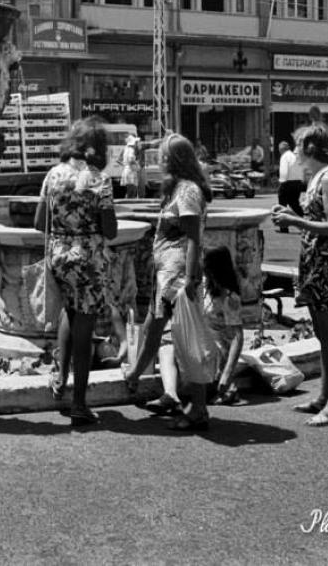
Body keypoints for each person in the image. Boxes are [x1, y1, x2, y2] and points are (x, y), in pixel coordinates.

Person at [122, 132, 213, 432]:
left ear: (173, 160)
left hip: (177, 276)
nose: (158, 162)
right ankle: (141, 377)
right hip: (168, 273)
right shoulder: (178, 189)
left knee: (187, 341)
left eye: (162, 156)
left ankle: (198, 409)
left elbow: (193, 238)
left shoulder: (186, 192)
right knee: (156, 327)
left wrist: (189, 279)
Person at [37, 117, 118, 427]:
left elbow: (38, 221)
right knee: (84, 330)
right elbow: (109, 230)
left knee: (68, 315)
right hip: (88, 258)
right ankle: (80, 404)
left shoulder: (53, 174)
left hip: (58, 254)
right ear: (97, 148)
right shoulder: (99, 180)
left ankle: (60, 379)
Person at [272, 122, 328, 427]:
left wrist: (295, 220)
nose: (295, 152)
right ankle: (323, 398)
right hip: (317, 263)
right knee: (322, 334)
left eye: (298, 145)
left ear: (309, 148)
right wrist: (297, 219)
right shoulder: (317, 178)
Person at [146, 245, 245, 416]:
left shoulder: (228, 297)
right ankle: (171, 394)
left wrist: (227, 374)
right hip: (199, 344)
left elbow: (238, 337)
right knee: (167, 346)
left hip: (213, 351)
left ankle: (191, 404)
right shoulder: (200, 286)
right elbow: (169, 298)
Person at [276, 140, 305, 232]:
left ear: (281, 150)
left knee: (282, 204)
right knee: (294, 204)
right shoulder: (294, 156)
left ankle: (283, 227)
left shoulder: (284, 157)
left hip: (287, 183)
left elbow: (284, 171)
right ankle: (304, 222)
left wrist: (281, 182)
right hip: (297, 183)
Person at [119, 127, 143, 198]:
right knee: (132, 191)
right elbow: (131, 160)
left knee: (129, 190)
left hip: (127, 170)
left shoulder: (126, 148)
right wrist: (137, 166)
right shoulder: (131, 149)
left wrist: (124, 165)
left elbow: (122, 160)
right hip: (131, 171)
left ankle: (129, 200)